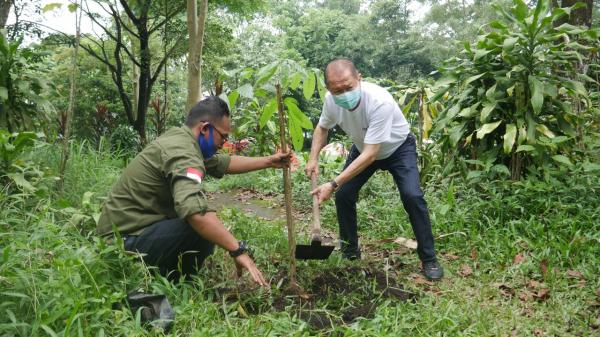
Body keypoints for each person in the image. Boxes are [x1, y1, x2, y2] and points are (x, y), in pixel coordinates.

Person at [97, 96, 290, 286]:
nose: (223, 143)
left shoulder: (182, 139)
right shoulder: (184, 153)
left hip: (128, 232)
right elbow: (195, 212)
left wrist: (268, 161)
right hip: (121, 244)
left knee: (205, 224)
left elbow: (222, 163)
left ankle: (168, 274)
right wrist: (237, 250)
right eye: (222, 137)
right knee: (200, 229)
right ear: (205, 128)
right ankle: (177, 283)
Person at [305, 58, 444, 280]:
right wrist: (313, 158)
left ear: (359, 78)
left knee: (412, 196)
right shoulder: (331, 101)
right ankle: (350, 253)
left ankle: (429, 258)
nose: (343, 94)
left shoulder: (380, 101)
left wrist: (332, 183)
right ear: (328, 88)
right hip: (363, 147)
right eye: (336, 90)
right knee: (344, 196)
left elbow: (372, 154)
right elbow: (322, 127)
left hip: (397, 148)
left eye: (348, 87)